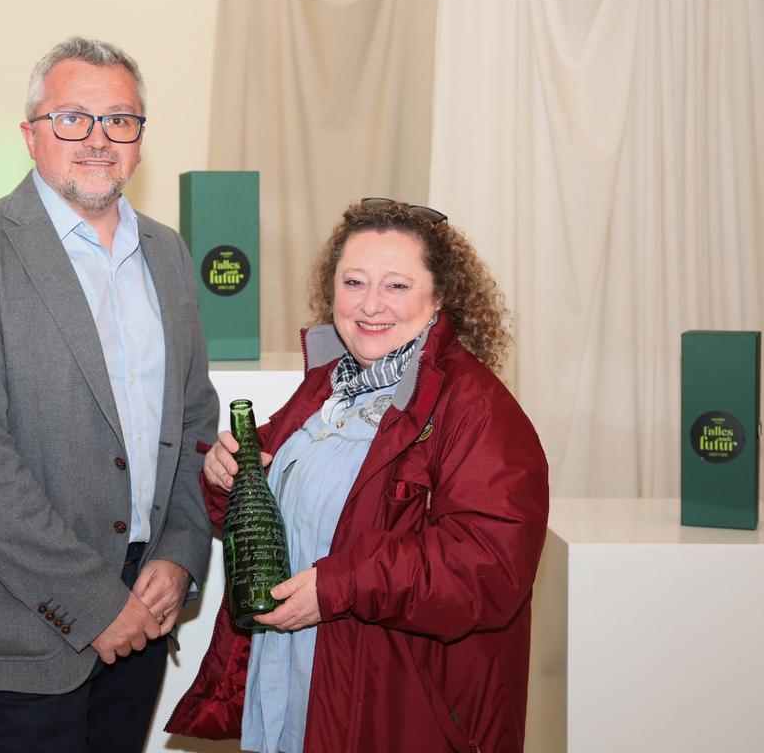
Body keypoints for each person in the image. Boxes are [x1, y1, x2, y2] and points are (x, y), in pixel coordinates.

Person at [0, 36, 218, 753]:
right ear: (31, 135)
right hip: (23, 624)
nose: (98, 139)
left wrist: (179, 553)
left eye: (121, 120)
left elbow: (196, 416)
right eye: (73, 118)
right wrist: (91, 604)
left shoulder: (168, 255)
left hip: (146, 608)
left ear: (141, 138)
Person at [166, 199, 549, 752]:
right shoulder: (329, 387)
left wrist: (339, 585)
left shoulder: (478, 409)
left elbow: (486, 566)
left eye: (396, 286)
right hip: (303, 684)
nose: (370, 305)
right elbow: (269, 514)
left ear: (440, 297)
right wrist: (223, 476)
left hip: (402, 710)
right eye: (354, 282)